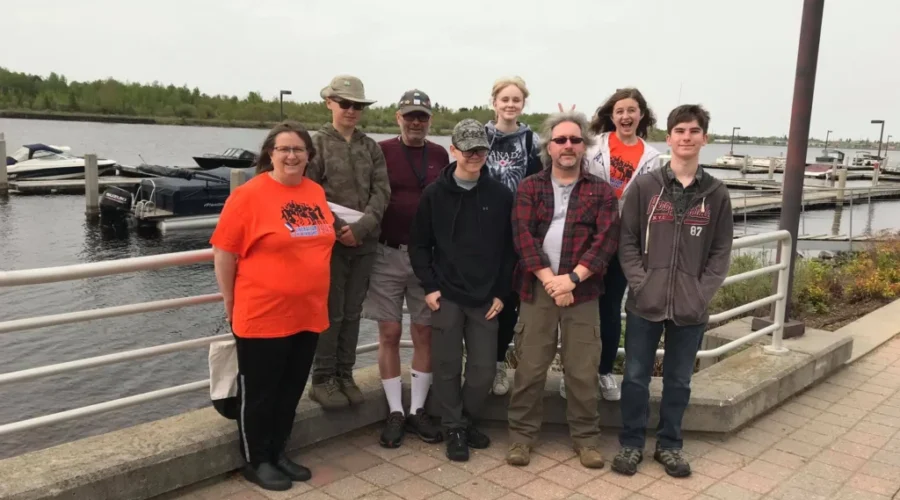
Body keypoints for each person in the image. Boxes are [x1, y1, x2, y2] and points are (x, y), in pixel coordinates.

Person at [211, 122, 335, 491]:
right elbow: (224, 251)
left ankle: (279, 451)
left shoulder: (314, 192)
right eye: (283, 149)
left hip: (308, 312)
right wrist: (230, 301)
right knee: (260, 393)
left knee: (290, 389)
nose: (292, 156)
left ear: (309, 156)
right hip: (262, 314)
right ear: (270, 154)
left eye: (299, 149)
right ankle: (256, 459)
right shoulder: (249, 196)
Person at [611, 104, 733, 478]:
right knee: (634, 378)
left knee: (679, 380)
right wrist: (641, 282)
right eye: (680, 131)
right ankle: (632, 443)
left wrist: (700, 292)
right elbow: (626, 240)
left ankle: (670, 445)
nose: (686, 138)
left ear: (704, 139)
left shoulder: (715, 193)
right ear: (669, 138)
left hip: (690, 308)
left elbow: (721, 251)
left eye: (694, 131)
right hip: (645, 302)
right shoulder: (646, 187)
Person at [506, 111, 620, 469]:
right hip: (538, 288)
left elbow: (605, 242)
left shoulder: (601, 191)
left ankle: (586, 440)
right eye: (560, 140)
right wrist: (551, 281)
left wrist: (572, 280)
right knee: (530, 368)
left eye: (574, 139)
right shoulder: (530, 187)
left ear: (584, 146)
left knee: (583, 370)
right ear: (549, 146)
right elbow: (522, 237)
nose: (568, 146)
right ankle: (522, 438)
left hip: (582, 292)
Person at [408, 118, 515, 462]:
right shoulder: (434, 194)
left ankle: (464, 419)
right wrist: (430, 286)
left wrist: (501, 292)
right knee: (447, 365)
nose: (474, 154)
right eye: (467, 148)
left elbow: (509, 250)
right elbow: (419, 245)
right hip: (447, 296)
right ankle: (454, 426)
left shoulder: (500, 195)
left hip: (486, 298)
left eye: (480, 148)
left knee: (483, 370)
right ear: (453, 150)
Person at [559, 88, 662, 401]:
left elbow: (653, 205)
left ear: (641, 115)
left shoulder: (653, 158)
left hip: (624, 244)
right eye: (620, 111)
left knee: (610, 309)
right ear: (611, 115)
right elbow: (566, 166)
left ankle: (603, 372)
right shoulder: (594, 148)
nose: (626, 116)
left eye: (632, 110)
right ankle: (572, 373)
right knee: (577, 309)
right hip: (586, 240)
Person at [363, 89, 448, 448]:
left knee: (425, 332)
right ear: (398, 117)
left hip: (427, 258)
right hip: (387, 253)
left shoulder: (440, 154)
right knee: (390, 332)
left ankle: (418, 410)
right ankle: (395, 410)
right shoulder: (381, 152)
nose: (416, 122)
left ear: (430, 120)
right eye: (410, 115)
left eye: (422, 117)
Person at [306, 75, 390, 410]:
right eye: (346, 104)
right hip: (329, 245)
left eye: (358, 106)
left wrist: (364, 226)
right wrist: (339, 228)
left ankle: (345, 373)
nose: (352, 111)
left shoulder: (371, 147)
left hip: (365, 243)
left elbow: (382, 192)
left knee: (352, 312)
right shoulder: (316, 146)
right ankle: (322, 378)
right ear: (330, 103)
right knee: (331, 312)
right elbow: (310, 195)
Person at [483, 76, 543, 397]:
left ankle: (498, 365)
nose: (509, 105)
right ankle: (477, 363)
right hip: (483, 228)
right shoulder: (479, 136)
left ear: (522, 104)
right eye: (504, 99)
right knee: (480, 298)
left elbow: (541, 181)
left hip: (518, 230)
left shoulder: (531, 140)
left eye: (516, 100)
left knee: (508, 299)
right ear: (494, 102)